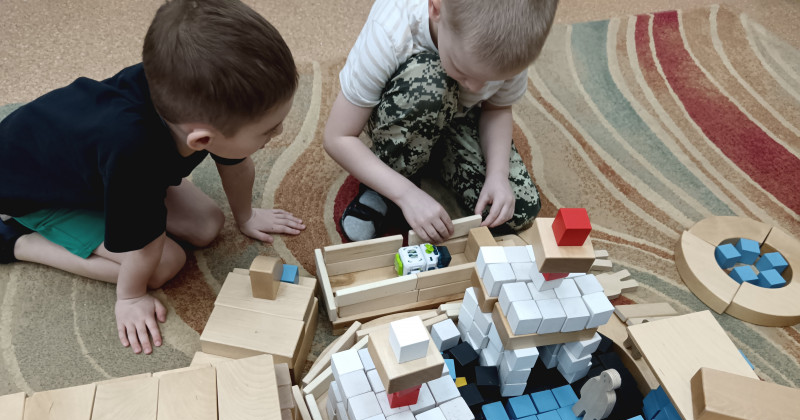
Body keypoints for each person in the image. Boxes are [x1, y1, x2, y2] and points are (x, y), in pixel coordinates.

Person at [0, 0, 305, 355]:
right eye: (269, 130)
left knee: (208, 225)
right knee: (163, 264)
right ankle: (16, 243)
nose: (280, 133)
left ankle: (123, 203)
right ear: (201, 140)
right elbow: (145, 247)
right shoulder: (133, 153)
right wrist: (130, 297)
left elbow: (236, 162)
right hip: (31, 191)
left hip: (95, 166)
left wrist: (246, 216)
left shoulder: (190, 93)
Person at [324, 0, 558, 244]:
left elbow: (496, 109)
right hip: (404, 108)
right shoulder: (391, 30)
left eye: (491, 79)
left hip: (458, 116)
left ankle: (429, 157)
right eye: (464, 71)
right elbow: (337, 137)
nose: (476, 87)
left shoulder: (512, 42)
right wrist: (405, 194)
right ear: (435, 9)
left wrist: (497, 175)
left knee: (519, 208)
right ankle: (389, 177)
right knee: (430, 84)